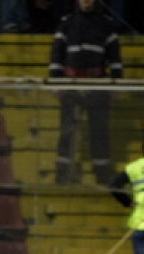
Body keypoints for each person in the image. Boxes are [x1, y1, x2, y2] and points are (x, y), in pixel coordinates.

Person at [50, 0, 123, 184]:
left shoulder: (106, 25)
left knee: (99, 131)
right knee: (67, 131)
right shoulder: (66, 24)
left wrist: (117, 83)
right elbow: (56, 54)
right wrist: (56, 81)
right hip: (71, 84)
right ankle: (62, 174)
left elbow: (115, 58)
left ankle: (102, 175)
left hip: (97, 85)